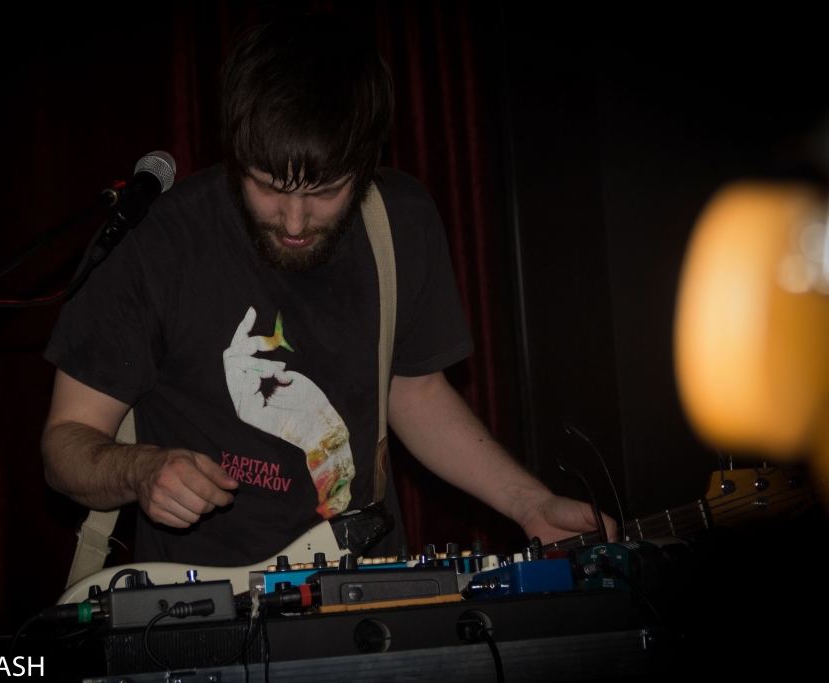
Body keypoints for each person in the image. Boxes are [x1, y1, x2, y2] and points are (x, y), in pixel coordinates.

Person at [41, 15, 615, 567]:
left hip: (362, 584)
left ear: (365, 164)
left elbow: (414, 392)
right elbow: (66, 445)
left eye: (325, 191)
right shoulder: (154, 244)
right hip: (205, 603)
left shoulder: (402, 223)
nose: (294, 221)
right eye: (268, 186)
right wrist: (142, 470)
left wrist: (530, 504)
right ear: (234, 153)